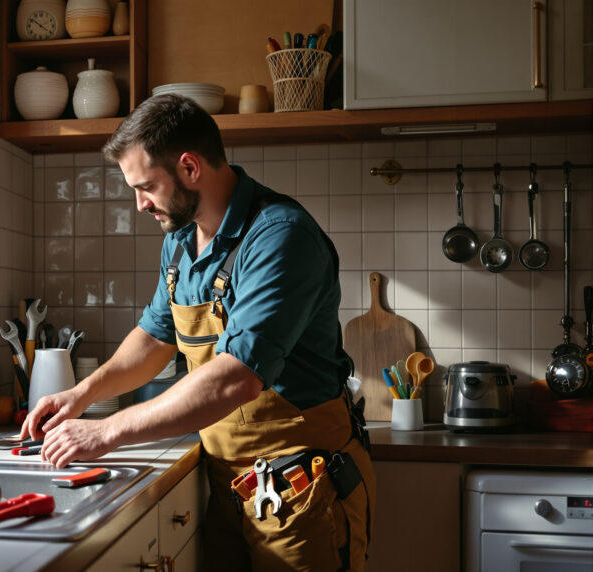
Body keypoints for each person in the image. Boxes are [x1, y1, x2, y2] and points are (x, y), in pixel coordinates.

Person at [20, 93, 375, 571]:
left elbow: (236, 378)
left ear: (189, 168)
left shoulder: (280, 236)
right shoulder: (180, 241)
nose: (140, 204)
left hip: (301, 487)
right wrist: (80, 395)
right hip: (228, 482)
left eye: (146, 187)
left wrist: (106, 431)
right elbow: (152, 339)